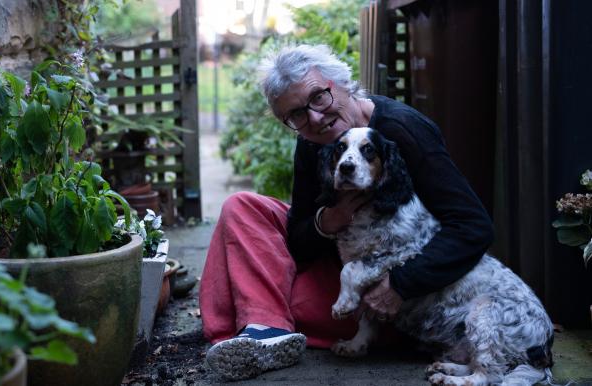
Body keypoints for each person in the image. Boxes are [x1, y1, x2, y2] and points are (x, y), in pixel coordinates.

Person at [199, 44, 494, 381]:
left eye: (318, 97)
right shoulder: (312, 140)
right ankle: (266, 331)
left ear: (340, 83)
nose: (314, 118)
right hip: (344, 263)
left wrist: (400, 285)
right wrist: (328, 221)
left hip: (398, 294)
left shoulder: (404, 129)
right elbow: (298, 236)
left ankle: (261, 320)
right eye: (295, 115)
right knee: (241, 206)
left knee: (270, 296)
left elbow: (473, 226)